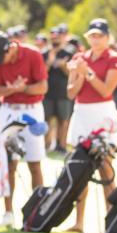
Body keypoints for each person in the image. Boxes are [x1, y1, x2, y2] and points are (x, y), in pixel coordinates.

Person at [66, 18, 117, 233]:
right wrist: (80, 73)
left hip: (102, 112)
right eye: (92, 35)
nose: (95, 39)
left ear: (107, 38)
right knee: (80, 169)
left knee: (105, 168)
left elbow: (106, 89)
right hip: (82, 112)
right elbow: (71, 92)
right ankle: (79, 223)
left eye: (99, 35)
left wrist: (87, 72)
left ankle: (113, 220)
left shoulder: (114, 58)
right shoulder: (79, 58)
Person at [0, 31, 49, 227]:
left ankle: (38, 212)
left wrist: (23, 89)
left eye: (1, 57)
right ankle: (8, 213)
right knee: (8, 164)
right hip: (8, 110)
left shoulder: (32, 54)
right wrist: (14, 89)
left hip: (32, 111)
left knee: (34, 163)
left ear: (10, 48)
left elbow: (42, 87)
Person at [43, 24, 75, 154]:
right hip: (47, 93)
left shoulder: (69, 52)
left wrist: (63, 66)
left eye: (57, 36)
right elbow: (41, 74)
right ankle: (46, 144)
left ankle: (61, 146)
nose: (55, 39)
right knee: (47, 120)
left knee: (64, 120)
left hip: (63, 92)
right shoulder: (44, 53)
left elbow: (71, 73)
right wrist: (49, 63)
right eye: (53, 36)